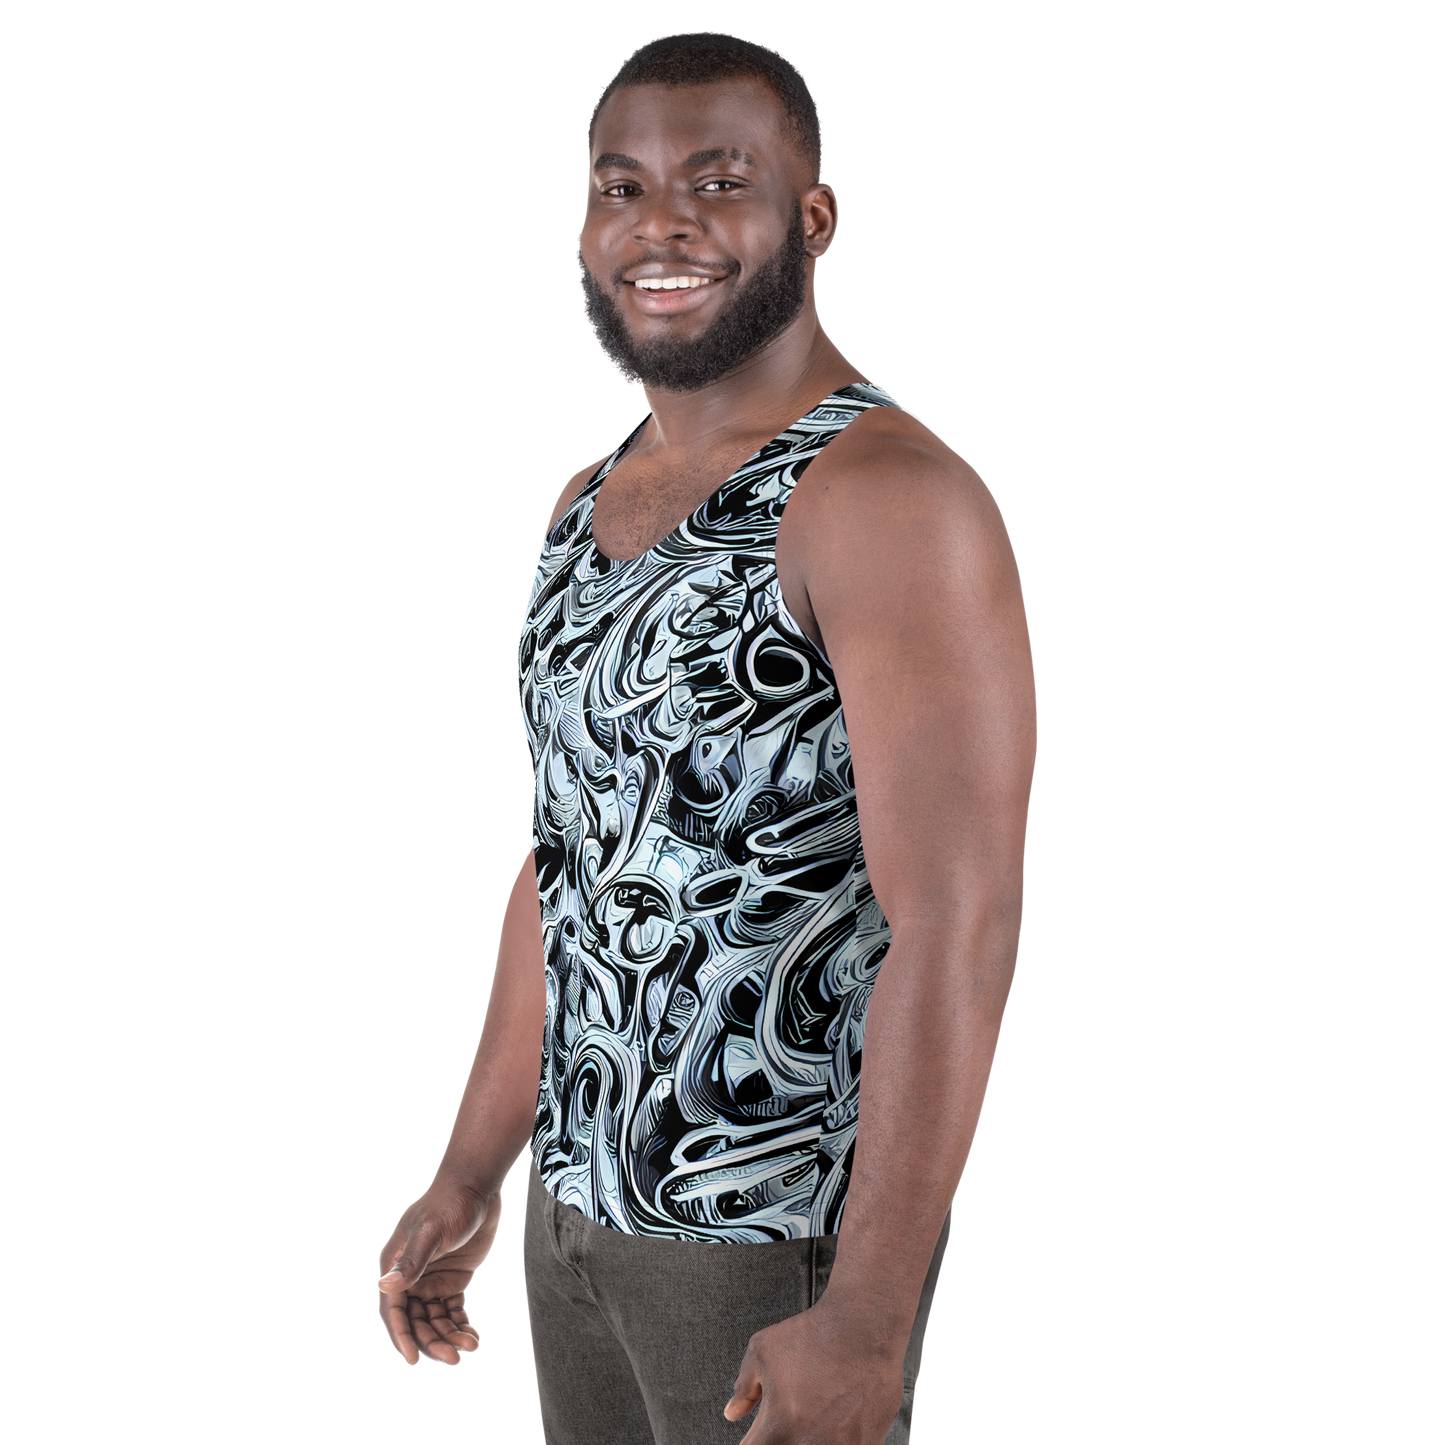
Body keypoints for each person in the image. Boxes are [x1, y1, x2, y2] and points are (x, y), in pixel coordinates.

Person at [375, 30, 1038, 1445]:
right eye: (621, 188)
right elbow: (570, 857)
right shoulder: (583, 500)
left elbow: (962, 922)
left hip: (771, 1242)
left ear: (815, 218)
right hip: (573, 1224)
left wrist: (866, 1315)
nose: (660, 225)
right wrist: (473, 1173)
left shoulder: (887, 497)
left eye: (718, 183)